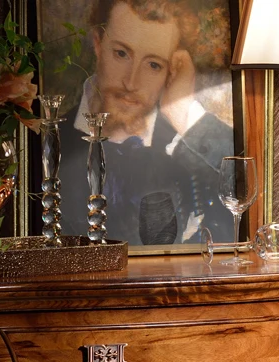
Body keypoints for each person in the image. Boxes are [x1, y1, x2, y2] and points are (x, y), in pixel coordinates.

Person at [57, 0, 234, 246]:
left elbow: (244, 199)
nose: (131, 82)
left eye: (153, 65)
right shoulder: (49, 140)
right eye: (121, 53)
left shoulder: (185, 140)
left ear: (171, 70)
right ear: (98, 43)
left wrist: (181, 113)